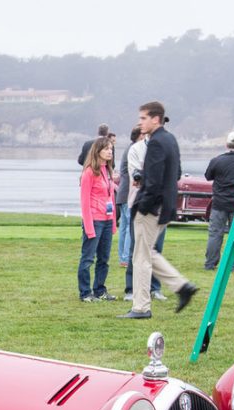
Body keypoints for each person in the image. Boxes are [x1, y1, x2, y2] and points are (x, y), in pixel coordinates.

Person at [122, 101, 196, 320]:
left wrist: (142, 206)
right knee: (148, 253)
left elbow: (153, 182)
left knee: (141, 257)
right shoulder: (170, 140)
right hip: (165, 207)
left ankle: (141, 307)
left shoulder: (155, 143)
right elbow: (176, 173)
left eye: (143, 118)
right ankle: (182, 286)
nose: (140, 122)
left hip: (151, 208)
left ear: (156, 118)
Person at [121, 126, 163, 301]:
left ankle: (155, 288)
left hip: (159, 205)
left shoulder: (164, 149)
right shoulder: (136, 149)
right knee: (136, 248)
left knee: (156, 249)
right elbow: (136, 175)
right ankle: (131, 288)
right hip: (139, 204)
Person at [77, 136, 117, 302]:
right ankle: (85, 293)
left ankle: (100, 290)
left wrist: (113, 222)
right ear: (98, 151)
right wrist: (89, 227)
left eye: (111, 149)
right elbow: (84, 203)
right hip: (94, 221)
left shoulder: (107, 171)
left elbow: (111, 198)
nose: (110, 152)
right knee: (87, 259)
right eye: (106, 149)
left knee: (104, 259)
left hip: (107, 221)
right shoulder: (88, 173)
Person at [203, 130, 234, 272]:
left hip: (219, 204)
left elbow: (208, 177)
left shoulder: (216, 161)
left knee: (215, 234)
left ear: (226, 144)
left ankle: (210, 264)